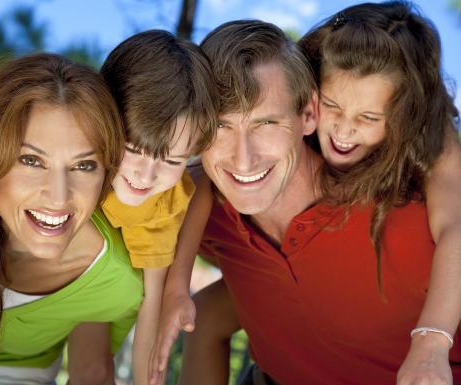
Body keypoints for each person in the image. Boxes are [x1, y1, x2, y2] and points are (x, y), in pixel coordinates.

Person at [150, 5, 461, 384]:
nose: (243, 158)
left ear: (305, 114)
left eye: (265, 122)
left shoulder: (415, 202)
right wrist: (175, 285)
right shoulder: (202, 206)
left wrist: (432, 341)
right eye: (220, 126)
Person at [0, 53, 140, 385]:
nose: (58, 197)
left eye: (84, 165)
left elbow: (92, 372)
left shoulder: (115, 280)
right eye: (31, 160)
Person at [68, 29, 218, 385]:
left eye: (171, 161)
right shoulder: (72, 141)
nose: (146, 175)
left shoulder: (162, 207)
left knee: (94, 372)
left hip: (98, 308)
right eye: (133, 149)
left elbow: (152, 305)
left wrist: (147, 379)